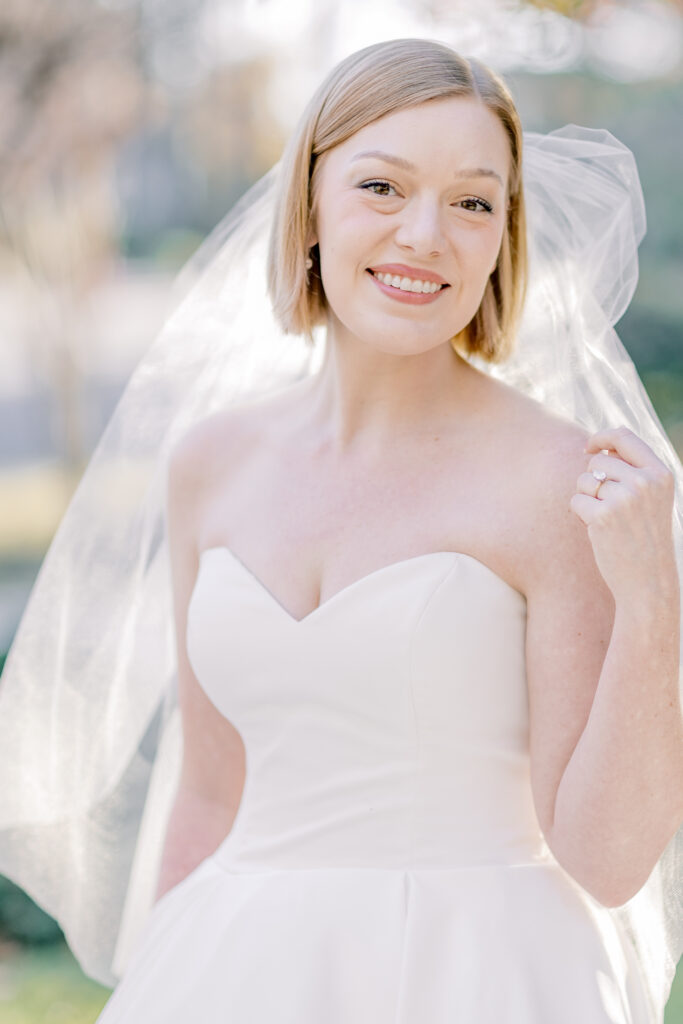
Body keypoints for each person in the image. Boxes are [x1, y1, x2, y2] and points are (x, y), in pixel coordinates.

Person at [0, 37, 681, 1024]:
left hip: (479, 973)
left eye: (472, 201)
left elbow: (606, 861)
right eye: (381, 186)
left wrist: (649, 596)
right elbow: (209, 791)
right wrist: (164, 973)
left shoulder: (556, 480)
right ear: (309, 204)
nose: (424, 234)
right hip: (235, 964)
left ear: (503, 235)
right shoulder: (210, 463)